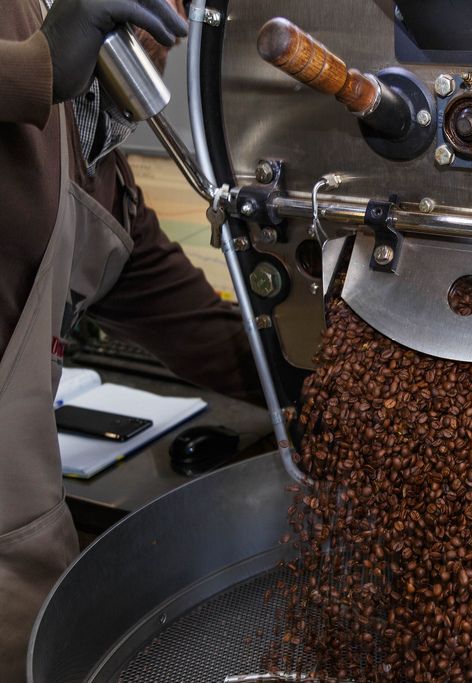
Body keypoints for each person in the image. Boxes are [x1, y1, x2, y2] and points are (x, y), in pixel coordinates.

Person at [0, 1, 261, 678]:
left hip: (20, 550)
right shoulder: (25, 38)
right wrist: (35, 68)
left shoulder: (94, 149)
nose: (165, 21)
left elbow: (191, 321)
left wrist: (321, 385)